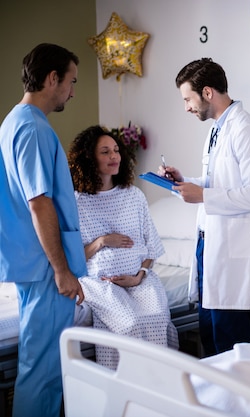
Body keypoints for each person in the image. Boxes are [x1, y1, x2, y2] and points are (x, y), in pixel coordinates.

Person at [158, 58, 250, 357]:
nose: (186, 108)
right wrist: (183, 182)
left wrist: (204, 196)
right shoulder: (216, 131)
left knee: (228, 346)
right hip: (207, 246)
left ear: (207, 92)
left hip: (230, 252)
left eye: (187, 99)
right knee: (209, 340)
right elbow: (217, 183)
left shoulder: (245, 129)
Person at [0, 43, 85, 417]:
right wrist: (62, 270)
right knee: (44, 371)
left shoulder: (13, 122)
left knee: (40, 366)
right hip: (45, 268)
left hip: (29, 263)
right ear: (53, 79)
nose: (72, 91)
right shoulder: (33, 129)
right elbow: (39, 203)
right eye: (71, 81)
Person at [68, 125, 179, 369]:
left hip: (140, 279)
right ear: (89, 158)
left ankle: (160, 386)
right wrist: (101, 242)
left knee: (157, 318)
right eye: (105, 152)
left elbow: (151, 248)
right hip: (99, 282)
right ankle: (125, 389)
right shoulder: (76, 202)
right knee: (129, 324)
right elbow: (71, 259)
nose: (114, 156)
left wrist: (139, 276)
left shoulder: (134, 196)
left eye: (116, 150)